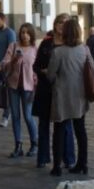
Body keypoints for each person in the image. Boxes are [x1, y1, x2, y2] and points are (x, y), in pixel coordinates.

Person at [47, 18, 93, 177]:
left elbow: (51, 75)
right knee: (80, 130)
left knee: (59, 131)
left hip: (62, 95)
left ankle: (57, 166)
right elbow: (92, 70)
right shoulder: (85, 50)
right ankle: (82, 163)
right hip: (80, 95)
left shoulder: (58, 52)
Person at [33, 13, 77, 169]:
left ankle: (68, 158)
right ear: (55, 24)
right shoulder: (46, 44)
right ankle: (43, 157)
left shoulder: (72, 45)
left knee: (66, 125)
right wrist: (44, 71)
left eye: (65, 23)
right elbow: (36, 66)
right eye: (59, 22)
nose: (61, 25)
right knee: (43, 124)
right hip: (46, 88)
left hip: (64, 91)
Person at [0, 23, 39, 159]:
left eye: (27, 32)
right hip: (13, 86)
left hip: (29, 87)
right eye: (22, 32)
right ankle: (18, 145)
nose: (24, 35)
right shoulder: (13, 46)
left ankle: (34, 144)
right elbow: (5, 62)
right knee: (15, 116)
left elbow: (38, 67)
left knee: (28, 115)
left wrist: (37, 79)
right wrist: (12, 61)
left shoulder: (35, 49)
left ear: (31, 34)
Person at [0, 12, 17, 127]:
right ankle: (3, 102)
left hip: (6, 65)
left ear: (4, 21)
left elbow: (11, 51)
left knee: (6, 91)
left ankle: (6, 115)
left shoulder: (10, 33)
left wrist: (1, 64)